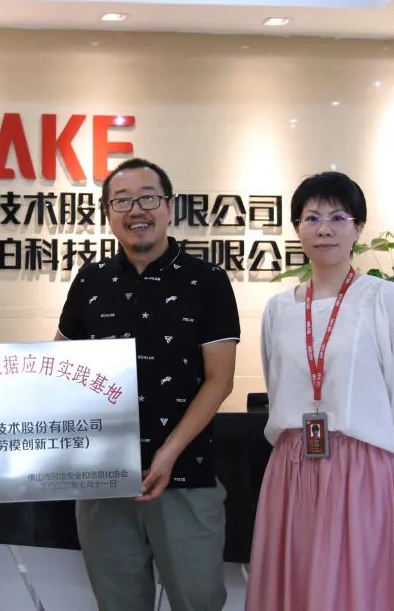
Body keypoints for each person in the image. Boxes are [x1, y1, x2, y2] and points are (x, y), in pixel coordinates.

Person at [245, 171, 394, 611]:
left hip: (366, 471)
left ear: (358, 228)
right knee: (300, 584)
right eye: (312, 218)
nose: (324, 229)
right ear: (297, 228)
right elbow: (277, 383)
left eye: (338, 217)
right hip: (293, 469)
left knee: (362, 590)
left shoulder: (383, 299)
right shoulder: (279, 309)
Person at [56, 157, 240, 611]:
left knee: (198, 600)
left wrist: (168, 452)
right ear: (107, 213)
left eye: (148, 198)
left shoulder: (207, 280)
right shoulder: (91, 280)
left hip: (186, 475)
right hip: (102, 480)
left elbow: (219, 381)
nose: (136, 209)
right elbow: (58, 367)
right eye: (121, 201)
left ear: (169, 206)